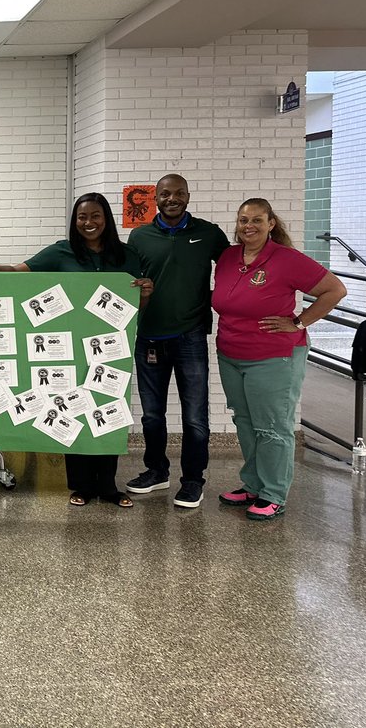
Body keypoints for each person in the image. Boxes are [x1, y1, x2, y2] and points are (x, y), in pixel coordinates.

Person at [0, 192, 153, 507]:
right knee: (74, 408)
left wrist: (147, 293)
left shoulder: (127, 255)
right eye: (82, 217)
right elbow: (20, 271)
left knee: (107, 411)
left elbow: (137, 304)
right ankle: (81, 486)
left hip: (112, 348)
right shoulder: (62, 251)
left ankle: (109, 487)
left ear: (106, 219)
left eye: (95, 216)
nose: (88, 223)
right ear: (75, 220)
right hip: (69, 348)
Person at [211, 198, 346, 521]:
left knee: (272, 427)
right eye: (244, 220)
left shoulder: (286, 259)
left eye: (257, 220)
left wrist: (299, 321)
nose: (249, 226)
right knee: (244, 421)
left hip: (274, 356)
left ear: (271, 223)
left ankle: (273, 493)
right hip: (231, 353)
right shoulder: (229, 256)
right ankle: (253, 484)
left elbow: (335, 290)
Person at [123, 174, 229, 508]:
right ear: (155, 197)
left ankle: (193, 480)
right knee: (152, 416)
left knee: (195, 415)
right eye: (165, 193)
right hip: (149, 337)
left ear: (187, 195)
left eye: (179, 193)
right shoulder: (139, 236)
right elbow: (125, 281)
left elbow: (234, 270)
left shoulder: (208, 233)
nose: (172, 198)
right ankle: (156, 471)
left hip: (190, 338)